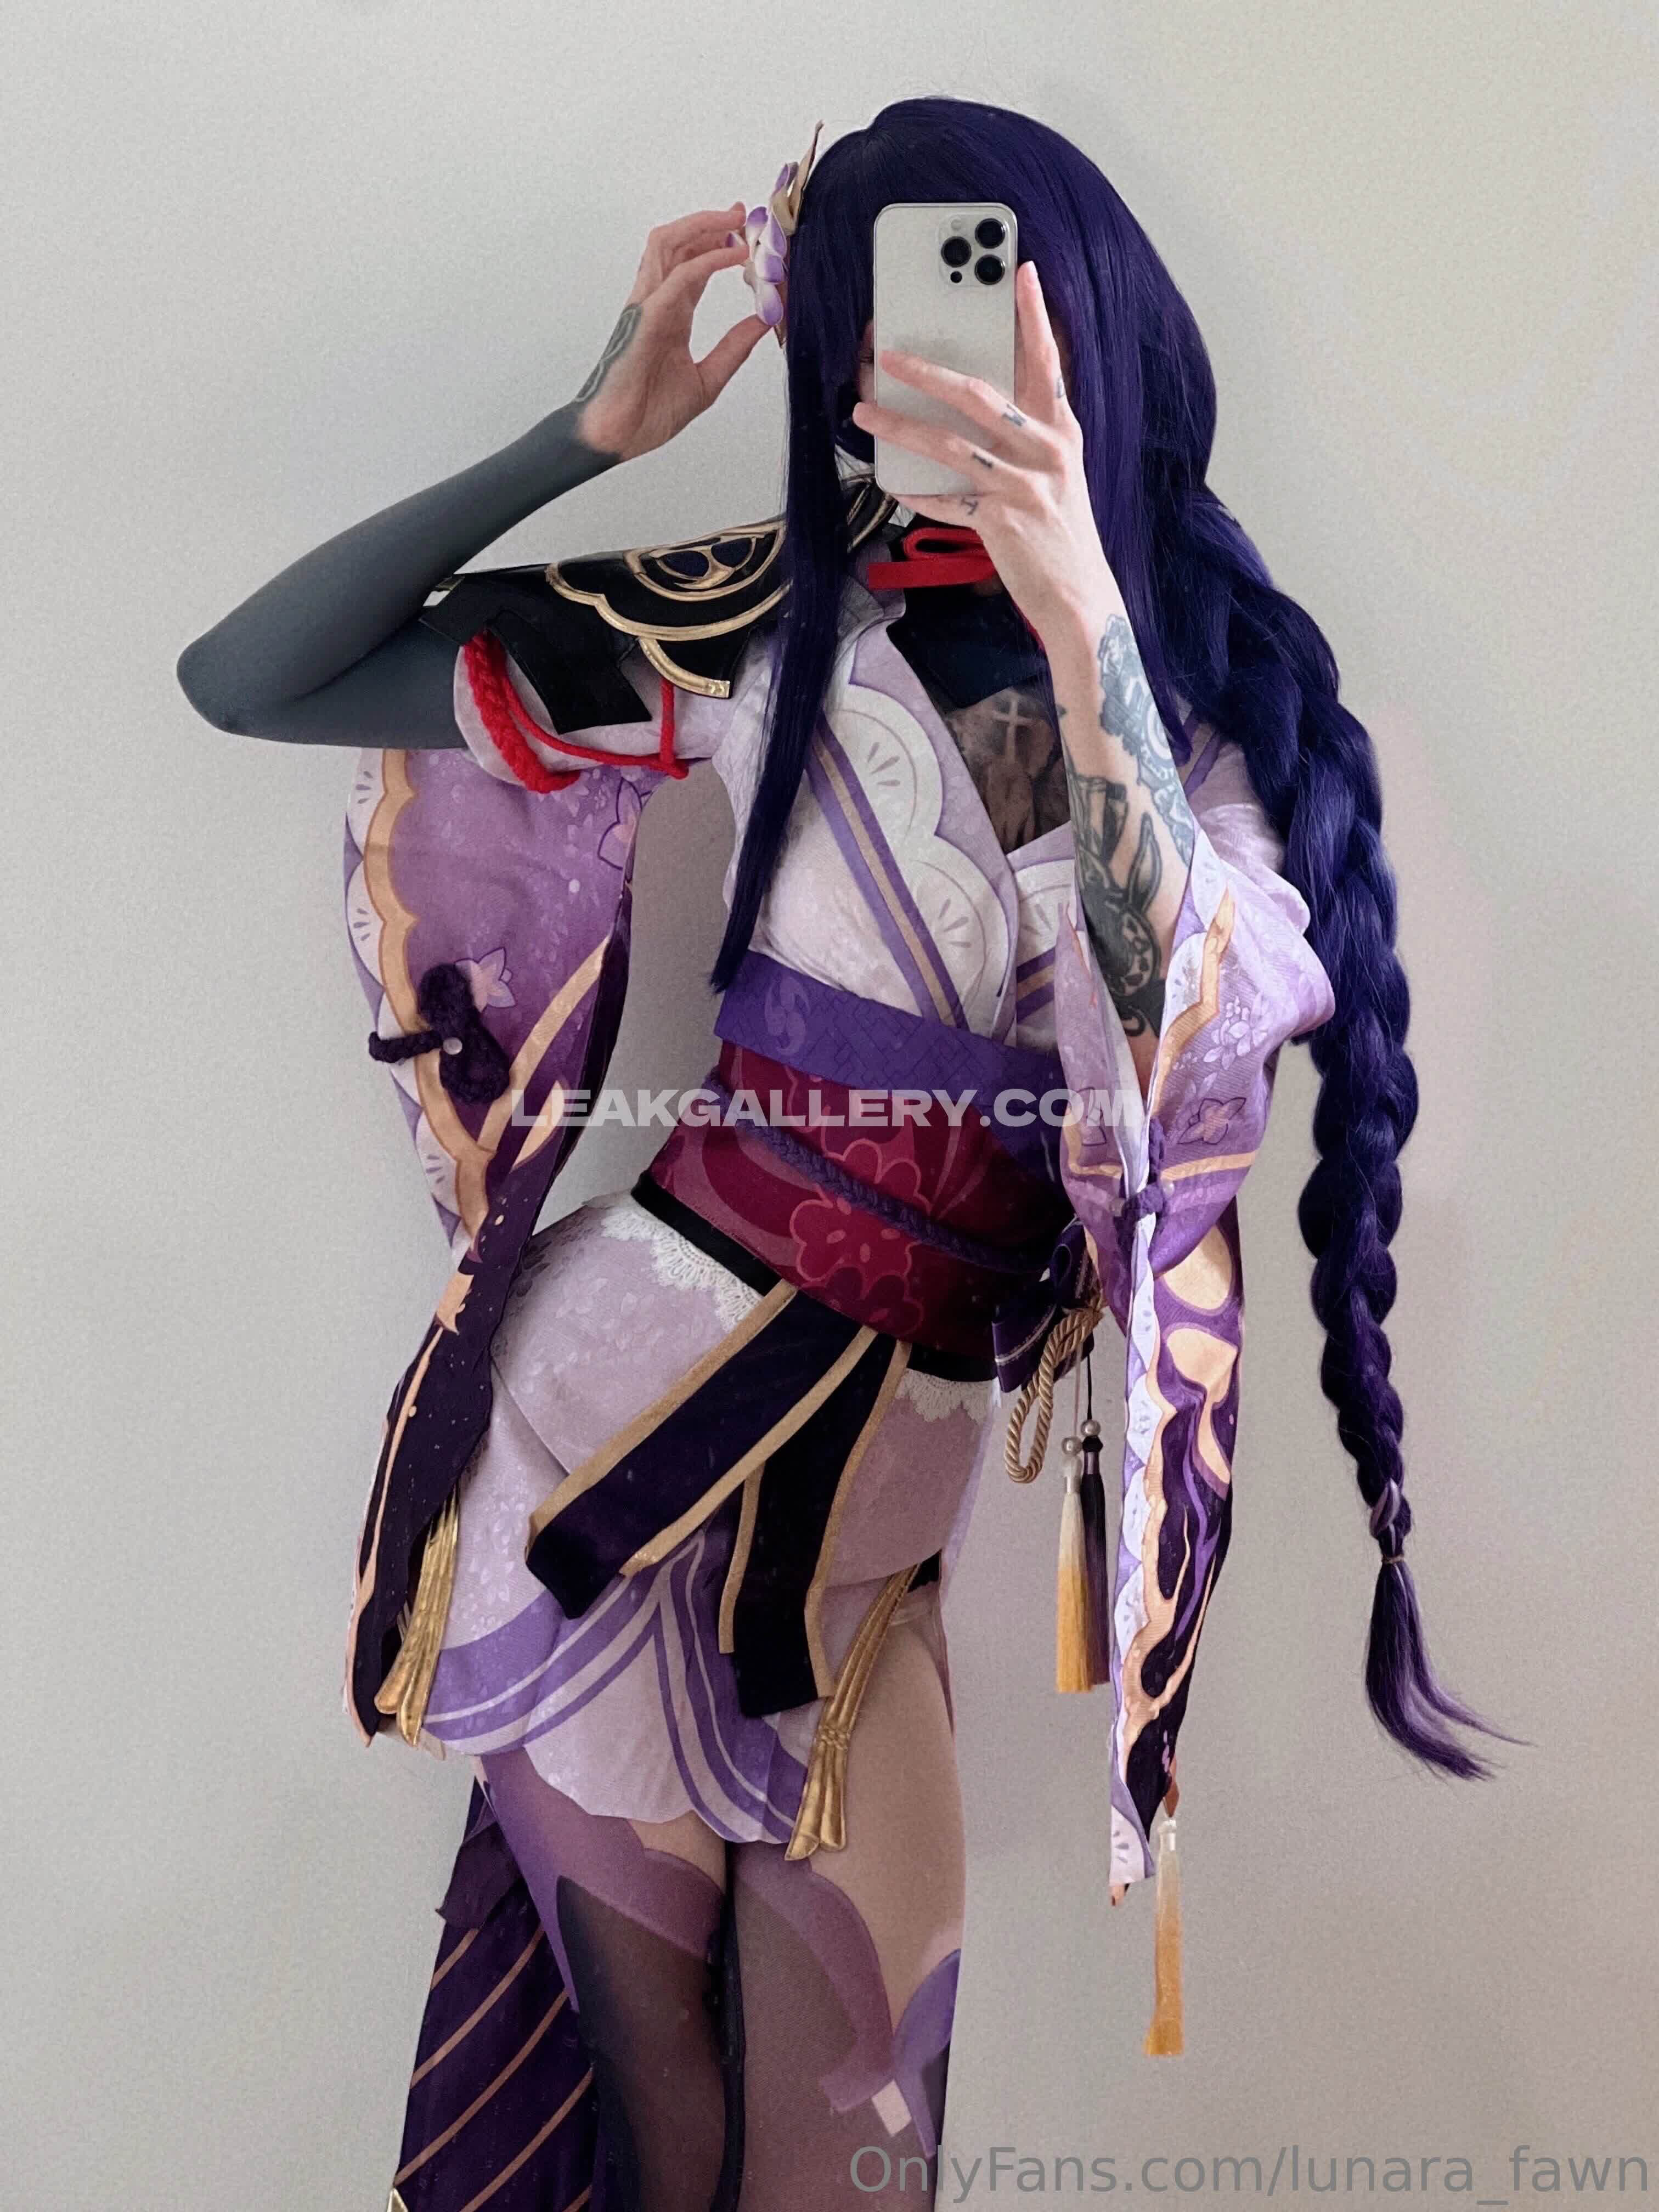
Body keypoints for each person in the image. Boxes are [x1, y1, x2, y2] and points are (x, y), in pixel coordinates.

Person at [177, 94, 1498, 2212]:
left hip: (870, 1554)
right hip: (583, 1472)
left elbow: (1197, 1044)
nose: (920, 354)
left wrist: (1085, 636)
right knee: (664, 2140)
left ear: (1082, 312)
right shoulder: (760, 630)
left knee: (859, 2168)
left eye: (969, 291)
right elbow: (253, 680)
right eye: (871, 304)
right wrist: (582, 438)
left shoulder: (1204, 716)